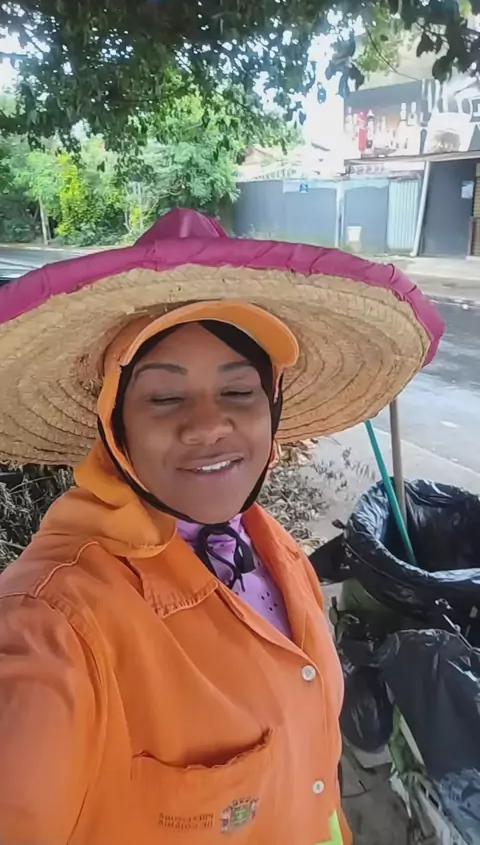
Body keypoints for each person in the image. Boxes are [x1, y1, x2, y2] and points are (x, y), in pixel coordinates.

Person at [0, 208, 443, 845]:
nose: (208, 425)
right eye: (164, 397)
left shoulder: (270, 545)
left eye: (239, 392)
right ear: (115, 425)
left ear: (273, 409)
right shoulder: (52, 623)